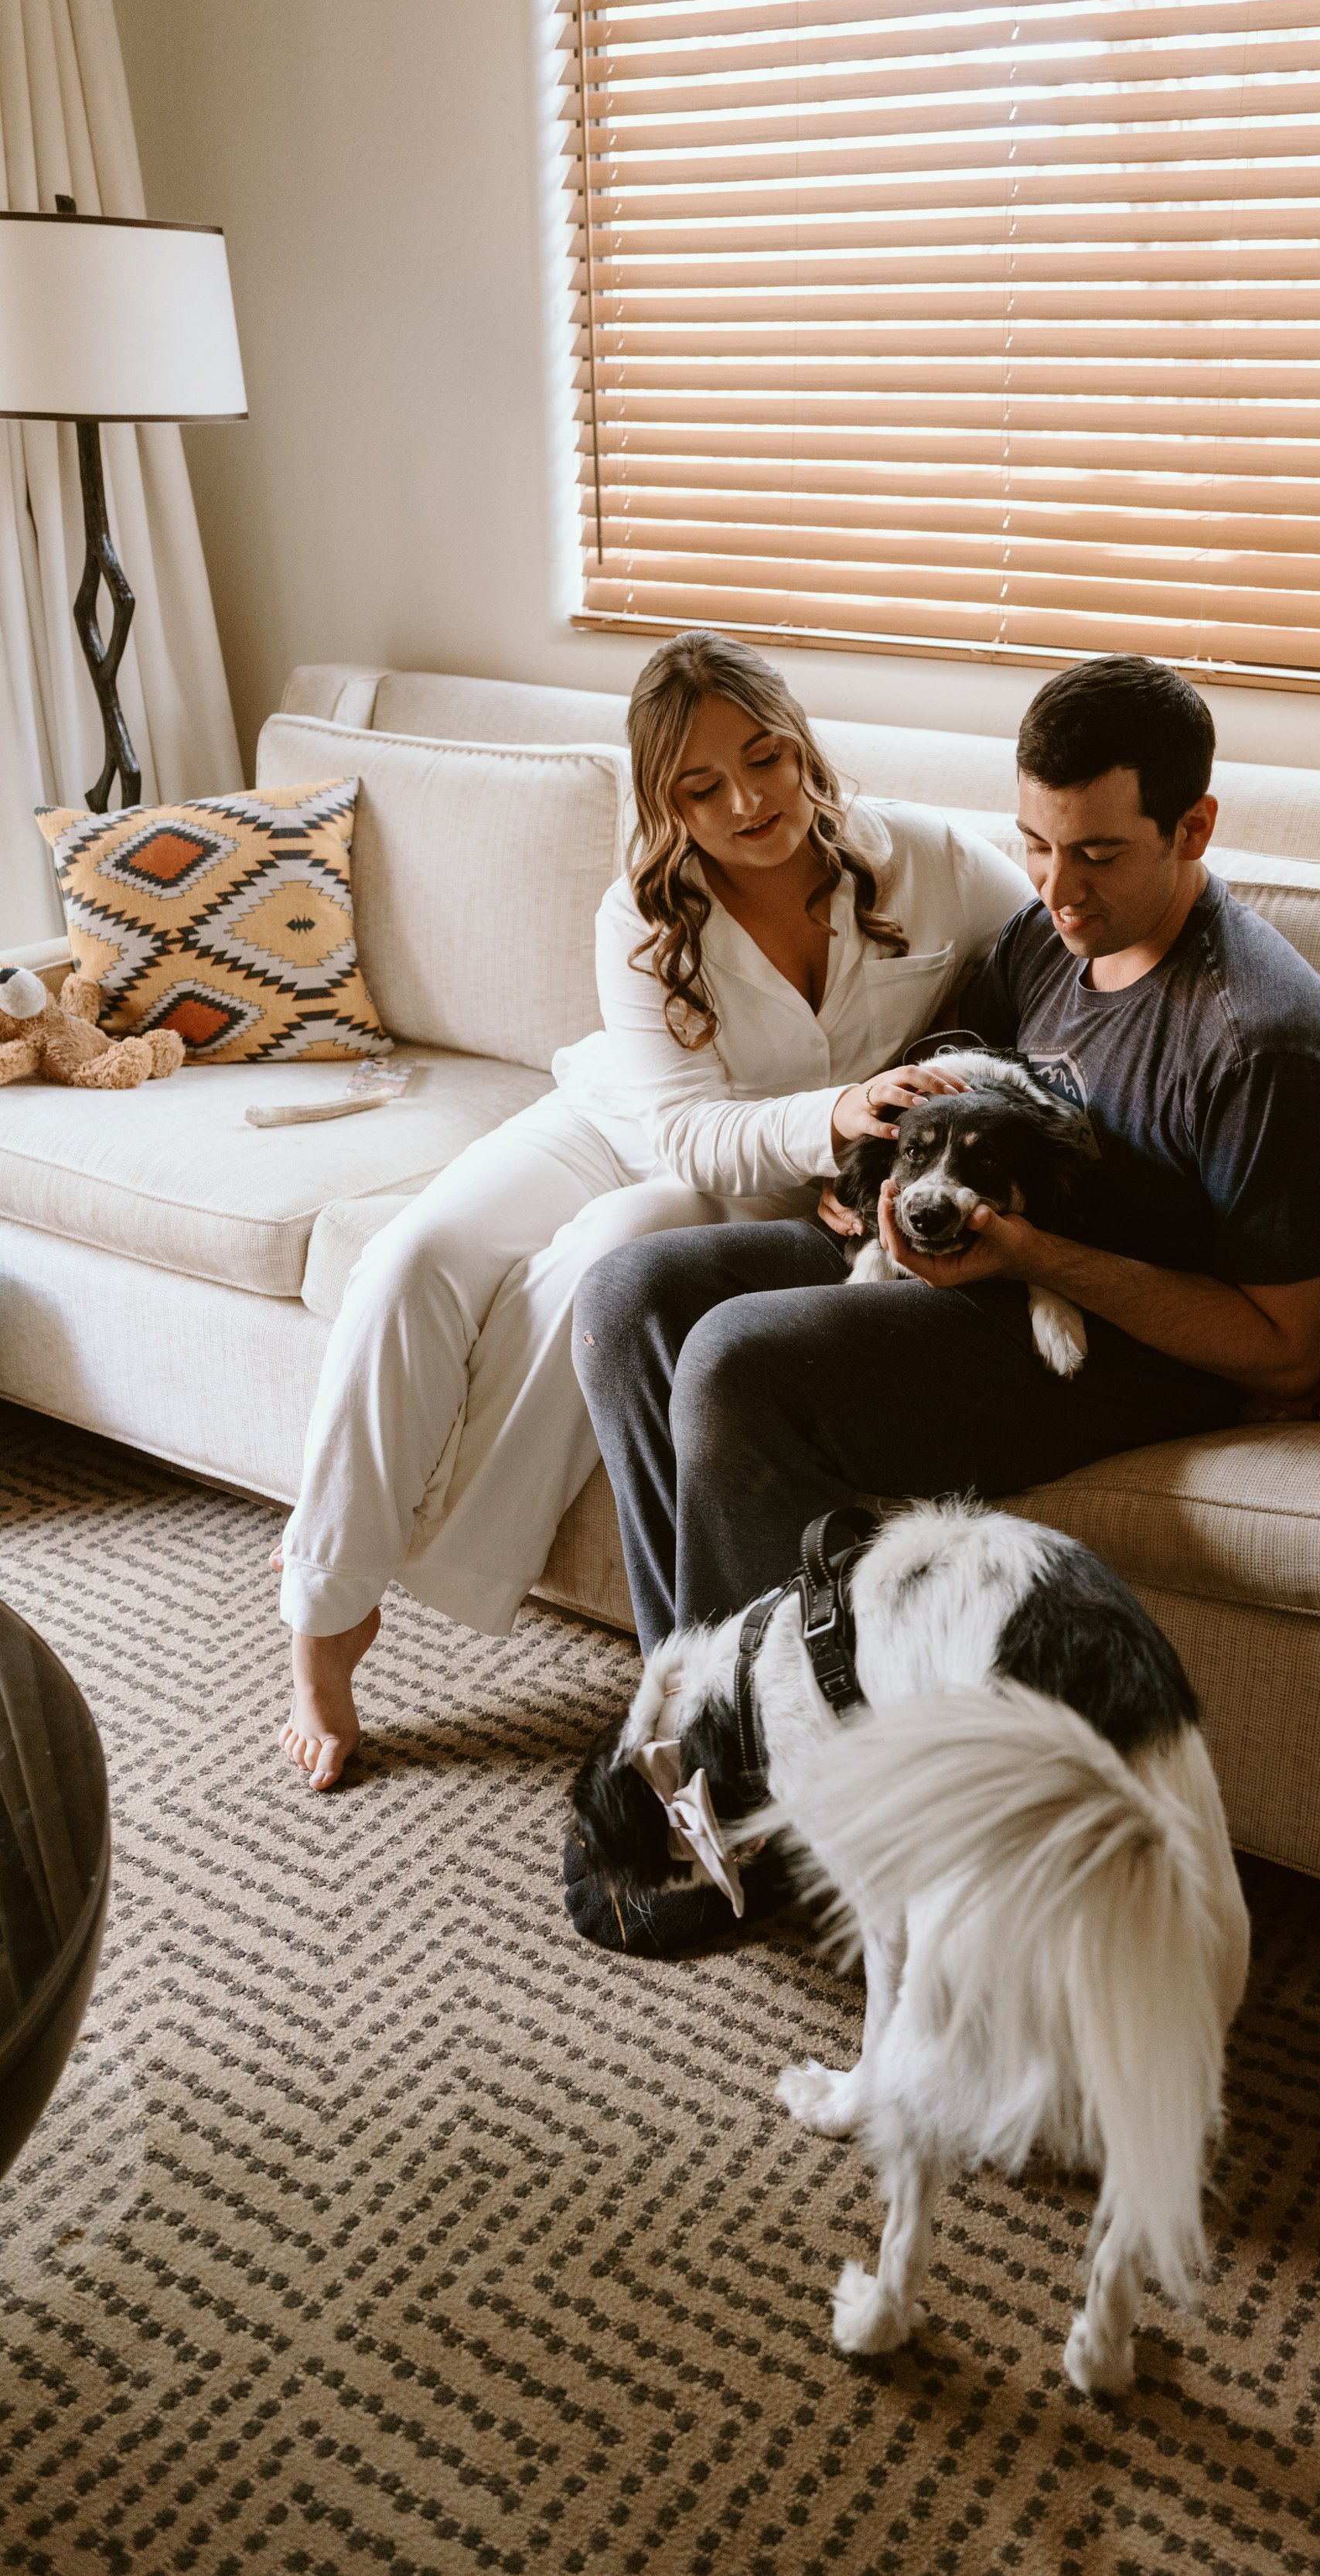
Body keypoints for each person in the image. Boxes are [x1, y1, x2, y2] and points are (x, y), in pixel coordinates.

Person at [571, 654, 1320, 1952]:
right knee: (629, 1296)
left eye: (1099, 855)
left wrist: (1037, 1257)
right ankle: (699, 1731)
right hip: (983, 1270)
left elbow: (1287, 1351)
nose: (1058, 892)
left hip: (1112, 1343)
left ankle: (765, 1801)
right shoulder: (1054, 947)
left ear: (1196, 828)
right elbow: (938, 1068)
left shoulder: (1261, 1041)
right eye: (1037, 846)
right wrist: (873, 1172)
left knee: (734, 1363)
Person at [275, 628, 1031, 1791]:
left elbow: (1056, 972)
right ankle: (325, 1624)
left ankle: (466, 1565)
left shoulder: (936, 862)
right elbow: (680, 1125)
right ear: (662, 801)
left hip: (755, 1186)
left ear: (802, 746)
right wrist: (847, 1108)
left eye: (764, 758)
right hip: (624, 1118)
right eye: (701, 786)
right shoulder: (641, 914)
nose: (746, 800)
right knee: (410, 1255)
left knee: (611, 1256)